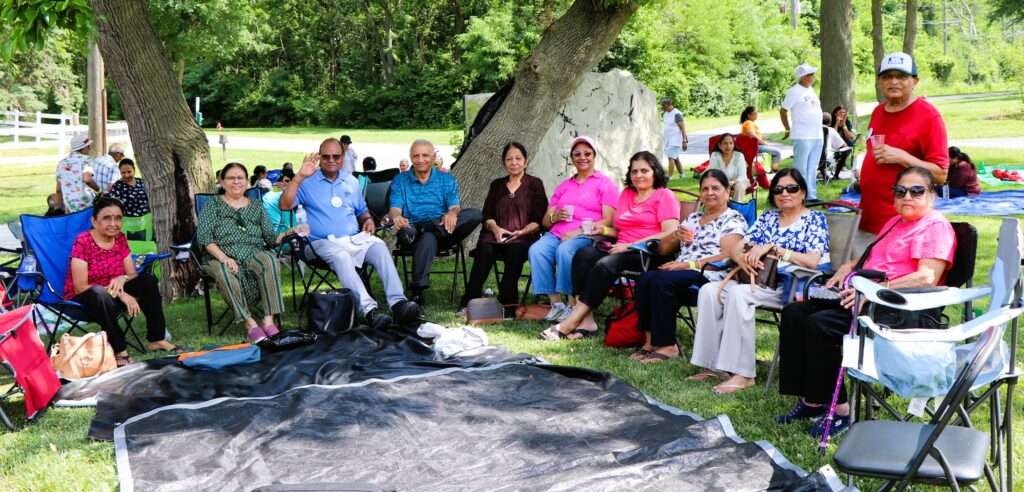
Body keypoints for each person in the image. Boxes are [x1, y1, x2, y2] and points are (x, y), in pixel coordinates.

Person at [777, 166, 955, 438]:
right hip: (860, 295)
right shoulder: (895, 222)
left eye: (917, 190)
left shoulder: (935, 226)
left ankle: (841, 411)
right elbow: (870, 261)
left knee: (820, 325)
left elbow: (926, 277)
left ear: (932, 195)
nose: (907, 196)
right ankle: (812, 400)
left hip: (895, 309)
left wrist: (875, 290)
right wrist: (847, 267)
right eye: (901, 191)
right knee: (794, 313)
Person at [690, 169, 829, 394]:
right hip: (755, 278)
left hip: (788, 284)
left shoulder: (814, 220)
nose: (785, 193)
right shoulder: (768, 218)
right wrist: (741, 259)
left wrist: (777, 249)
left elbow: (812, 261)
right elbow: (737, 247)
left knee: (739, 294)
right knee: (709, 290)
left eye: (791, 188)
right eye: (778, 189)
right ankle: (713, 366)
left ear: (802, 192)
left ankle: (743, 373)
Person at [282, 139, 422, 328]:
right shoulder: (306, 181)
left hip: (352, 239)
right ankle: (369, 311)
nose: (331, 160)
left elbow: (361, 210)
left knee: (379, 246)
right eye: (326, 156)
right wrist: (298, 177)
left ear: (343, 158)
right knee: (340, 256)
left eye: (336, 156)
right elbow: (284, 205)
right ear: (319, 157)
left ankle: (398, 303)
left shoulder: (351, 180)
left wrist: (367, 220)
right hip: (319, 243)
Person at [540, 151, 680, 340]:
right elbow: (617, 229)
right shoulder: (627, 194)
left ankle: (570, 322)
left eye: (644, 171)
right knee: (583, 255)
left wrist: (631, 245)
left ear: (655, 172)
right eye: (634, 171)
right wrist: (602, 231)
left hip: (648, 252)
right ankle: (587, 321)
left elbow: (669, 232)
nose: (638, 175)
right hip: (620, 248)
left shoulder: (665, 196)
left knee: (605, 265)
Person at [631, 169, 747, 362]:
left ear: (727, 192)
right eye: (705, 189)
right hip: (683, 271)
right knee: (645, 278)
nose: (709, 192)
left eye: (715, 188)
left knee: (662, 281)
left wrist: (688, 264)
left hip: (710, 273)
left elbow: (727, 256)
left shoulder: (732, 219)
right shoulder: (693, 219)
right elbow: (662, 249)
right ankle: (650, 341)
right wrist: (676, 235)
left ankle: (668, 346)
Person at [63, 196, 176, 367]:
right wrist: (122, 294)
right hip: (88, 296)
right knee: (100, 294)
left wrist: (121, 278)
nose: (113, 223)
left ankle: (156, 339)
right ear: (94, 221)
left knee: (148, 280)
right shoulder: (83, 241)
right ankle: (120, 351)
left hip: (113, 291)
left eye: (118, 218)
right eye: (107, 218)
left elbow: (131, 273)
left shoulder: (120, 238)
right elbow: (80, 286)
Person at [198, 163, 300, 342]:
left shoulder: (257, 206)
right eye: (231, 178)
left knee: (269, 259)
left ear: (247, 182)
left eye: (240, 178)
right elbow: (205, 239)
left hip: (253, 252)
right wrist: (224, 257)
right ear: (222, 182)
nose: (236, 182)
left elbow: (269, 237)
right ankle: (250, 323)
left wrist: (286, 233)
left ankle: (268, 320)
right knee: (223, 272)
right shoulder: (212, 205)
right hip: (219, 255)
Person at [859, 52, 949, 240]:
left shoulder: (929, 116)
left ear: (915, 81)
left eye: (901, 76)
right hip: (867, 220)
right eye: (887, 76)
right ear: (879, 81)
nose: (894, 82)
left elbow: (940, 175)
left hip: (903, 225)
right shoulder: (878, 112)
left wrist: (902, 157)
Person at [528, 136, 618, 321]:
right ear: (571, 158)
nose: (582, 157)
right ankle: (556, 304)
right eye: (577, 154)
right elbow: (546, 221)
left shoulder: (604, 184)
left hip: (587, 234)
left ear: (594, 156)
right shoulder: (564, 186)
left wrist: (578, 231)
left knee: (565, 250)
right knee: (537, 249)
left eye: (587, 153)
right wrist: (555, 216)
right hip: (557, 232)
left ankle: (572, 304)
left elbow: (609, 220)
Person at [389, 139, 482, 305]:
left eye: (425, 155)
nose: (420, 159)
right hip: (414, 235)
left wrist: (452, 213)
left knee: (475, 214)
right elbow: (395, 208)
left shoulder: (446, 179)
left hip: (445, 231)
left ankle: (427, 227)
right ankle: (417, 292)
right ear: (411, 158)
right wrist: (396, 217)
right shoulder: (400, 180)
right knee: (427, 237)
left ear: (433, 157)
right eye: (416, 156)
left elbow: (454, 206)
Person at [459, 142, 547, 314]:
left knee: (515, 251)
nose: (514, 162)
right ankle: (469, 301)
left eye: (518, 158)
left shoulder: (535, 184)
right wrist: (496, 229)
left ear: (525, 161)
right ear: (504, 162)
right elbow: (487, 215)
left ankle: (507, 304)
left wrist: (522, 232)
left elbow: (539, 220)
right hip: (496, 236)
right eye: (509, 159)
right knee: (484, 249)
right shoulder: (497, 185)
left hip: (523, 236)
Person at [781, 63, 824, 200]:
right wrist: (787, 128)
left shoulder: (810, 90)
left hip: (817, 134)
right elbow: (783, 110)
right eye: (809, 75)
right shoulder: (794, 91)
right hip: (802, 135)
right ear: (802, 77)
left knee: (812, 167)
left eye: (813, 74)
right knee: (801, 169)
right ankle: (799, 196)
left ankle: (811, 195)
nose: (812, 77)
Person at [55, 133, 97, 213]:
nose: (90, 149)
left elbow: (58, 189)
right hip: (85, 203)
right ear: (83, 148)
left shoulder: (61, 163)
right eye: (88, 146)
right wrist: (98, 189)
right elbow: (87, 179)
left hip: (69, 204)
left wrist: (62, 205)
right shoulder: (87, 160)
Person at [708, 133, 749, 201]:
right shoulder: (715, 156)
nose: (728, 146)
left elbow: (742, 176)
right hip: (720, 183)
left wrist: (733, 183)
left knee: (739, 186)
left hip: (738, 182)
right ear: (719, 145)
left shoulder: (739, 156)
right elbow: (714, 174)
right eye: (725, 143)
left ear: (733, 145)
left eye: (731, 143)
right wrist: (726, 185)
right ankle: (719, 208)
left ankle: (736, 208)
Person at [740, 106, 782, 171]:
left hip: (756, 146)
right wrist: (764, 143)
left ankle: (772, 169)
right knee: (777, 152)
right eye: (755, 113)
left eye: (757, 113)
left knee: (774, 151)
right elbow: (753, 136)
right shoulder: (748, 123)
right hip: (755, 147)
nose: (757, 115)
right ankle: (775, 170)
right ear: (749, 115)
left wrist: (764, 140)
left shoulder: (749, 123)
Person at [660, 96, 688, 178]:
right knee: (675, 158)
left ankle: (669, 177)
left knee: (671, 157)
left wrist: (684, 141)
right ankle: (682, 174)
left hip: (675, 140)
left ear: (668, 104)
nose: (662, 107)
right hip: (668, 140)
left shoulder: (677, 114)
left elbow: (683, 128)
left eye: (663, 105)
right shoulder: (665, 114)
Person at [262, 169, 295, 234]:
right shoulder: (287, 197)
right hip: (284, 233)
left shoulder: (266, 196)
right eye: (287, 181)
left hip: (269, 232)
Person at [820, 113, 852, 181]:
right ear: (830, 123)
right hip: (826, 161)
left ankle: (824, 174)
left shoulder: (811, 131)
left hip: (811, 160)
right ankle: (836, 175)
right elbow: (844, 146)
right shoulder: (830, 130)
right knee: (845, 150)